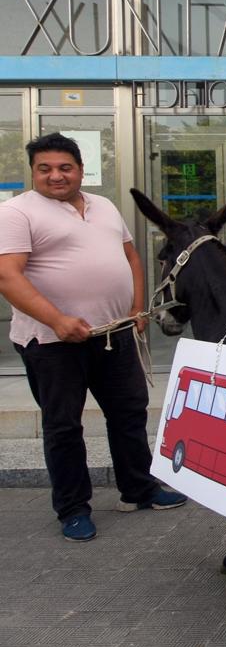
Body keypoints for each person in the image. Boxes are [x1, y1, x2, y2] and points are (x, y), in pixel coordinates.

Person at [0, 132, 186, 542]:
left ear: (81, 170)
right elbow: (7, 276)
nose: (55, 176)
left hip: (113, 335)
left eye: (65, 168)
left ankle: (138, 489)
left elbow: (130, 257)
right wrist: (57, 320)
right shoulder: (16, 213)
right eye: (44, 169)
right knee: (64, 426)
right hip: (52, 344)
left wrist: (137, 309)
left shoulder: (103, 205)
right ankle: (73, 508)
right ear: (32, 172)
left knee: (129, 413)